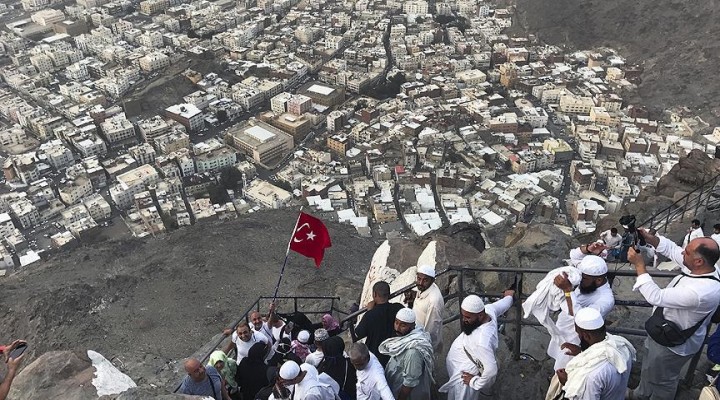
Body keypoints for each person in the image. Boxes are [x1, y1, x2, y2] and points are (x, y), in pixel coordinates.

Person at [627, 230, 720, 400]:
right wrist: (651, 239)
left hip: (672, 345)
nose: (683, 252)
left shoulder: (701, 292)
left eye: (688, 252)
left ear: (698, 261)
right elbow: (672, 249)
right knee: (649, 370)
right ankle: (641, 394)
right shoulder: (704, 268)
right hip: (662, 330)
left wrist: (640, 266)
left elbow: (656, 296)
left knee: (663, 381)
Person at [550, 243, 615, 370]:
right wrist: (588, 248)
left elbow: (582, 317)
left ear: (599, 280)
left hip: (578, 339)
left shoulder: (606, 299)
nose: (579, 281)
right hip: (563, 330)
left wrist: (567, 291)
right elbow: (573, 255)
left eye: (583, 279)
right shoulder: (587, 278)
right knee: (558, 361)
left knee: (568, 370)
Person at [439, 292, 514, 399]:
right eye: (463, 316)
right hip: (461, 364)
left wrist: (475, 382)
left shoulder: (482, 341)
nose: (464, 320)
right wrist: (509, 296)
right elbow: (502, 305)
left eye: (468, 317)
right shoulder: (489, 311)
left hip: (465, 378)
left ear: (480, 315)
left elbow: (491, 371)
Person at [553, 308, 635, 400]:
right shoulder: (622, 346)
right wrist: (581, 352)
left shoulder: (590, 377)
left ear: (587, 336)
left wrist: (568, 382)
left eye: (578, 334)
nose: (578, 337)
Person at [378, 307, 434, 400]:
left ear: (412, 326)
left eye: (403, 325)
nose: (397, 328)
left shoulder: (413, 353)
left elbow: (409, 383)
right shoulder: (404, 339)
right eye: (396, 322)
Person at [354, 281, 404, 366]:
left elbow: (359, 332)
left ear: (374, 294)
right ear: (389, 294)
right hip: (394, 353)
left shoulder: (370, 315)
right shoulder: (398, 308)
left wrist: (369, 312)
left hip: (375, 356)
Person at [405, 264, 445, 352]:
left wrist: (426, 348)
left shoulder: (434, 301)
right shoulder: (424, 288)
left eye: (425, 280)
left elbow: (432, 329)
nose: (420, 283)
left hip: (423, 343)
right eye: (419, 279)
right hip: (415, 336)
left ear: (432, 281)